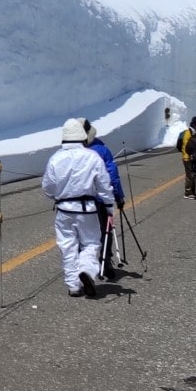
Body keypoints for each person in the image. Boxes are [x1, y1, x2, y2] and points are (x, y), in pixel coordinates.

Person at [42, 118, 117, 298]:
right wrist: (109, 205)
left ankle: (73, 286)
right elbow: (104, 184)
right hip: (87, 208)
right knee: (91, 243)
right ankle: (87, 271)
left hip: (64, 210)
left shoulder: (55, 158)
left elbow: (47, 187)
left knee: (67, 247)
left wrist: (57, 197)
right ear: (83, 137)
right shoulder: (92, 157)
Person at [79, 119, 126, 279]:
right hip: (100, 200)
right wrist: (118, 196)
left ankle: (84, 267)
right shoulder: (101, 149)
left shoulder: (71, 151)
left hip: (79, 201)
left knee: (83, 234)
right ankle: (105, 262)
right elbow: (112, 174)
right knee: (105, 231)